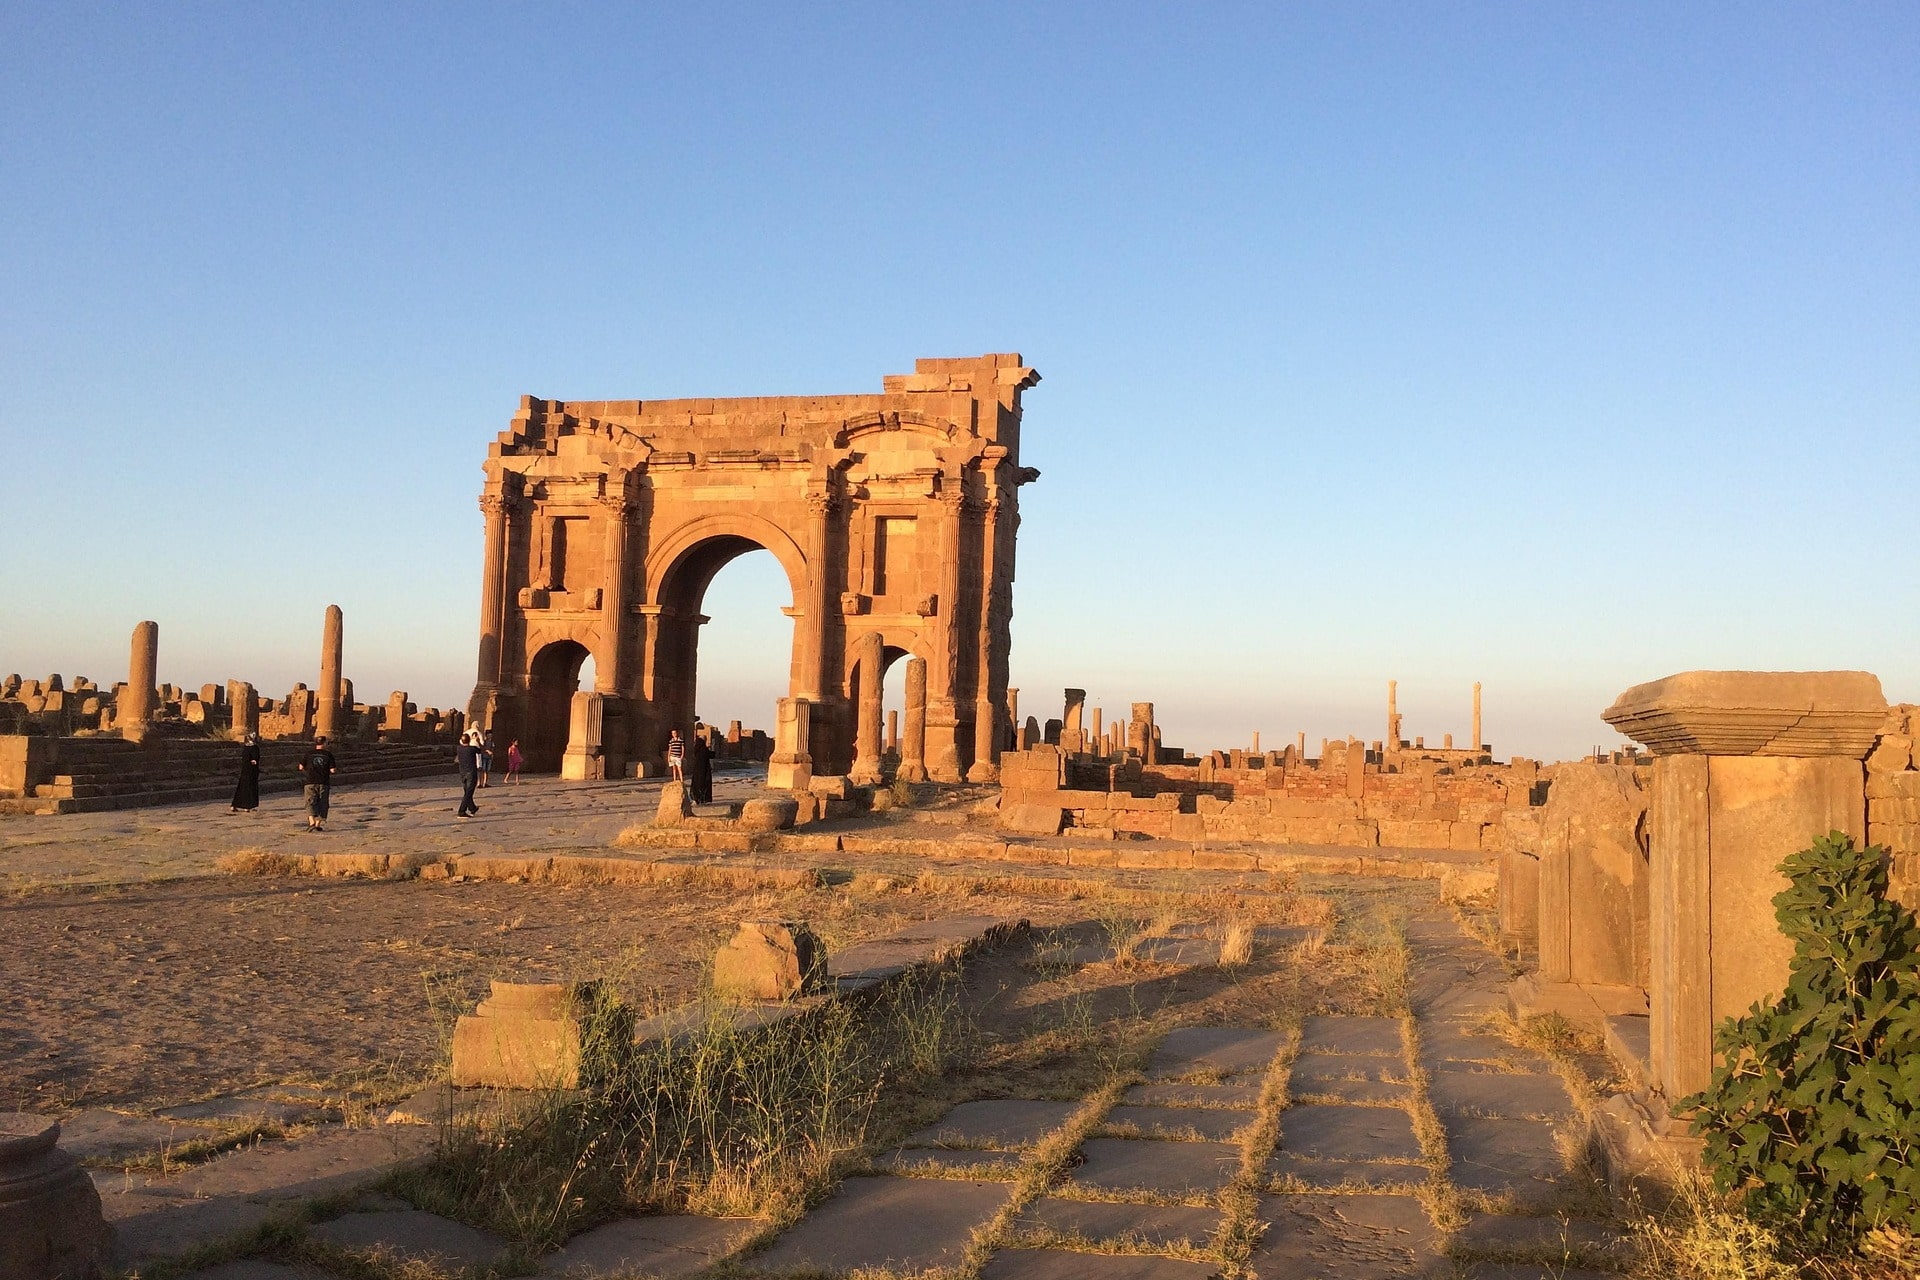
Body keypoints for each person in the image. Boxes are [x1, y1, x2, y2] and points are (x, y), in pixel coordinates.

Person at [301, 735, 336, 832]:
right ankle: (317, 824)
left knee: (310, 801)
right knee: (323, 802)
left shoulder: (308, 753)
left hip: (310, 781)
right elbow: (333, 770)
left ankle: (311, 821)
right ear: (324, 743)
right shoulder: (328, 755)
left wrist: (308, 772)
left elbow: (301, 766)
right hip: (323, 781)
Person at [228, 732, 261, 814]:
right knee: (250, 787)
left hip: (245, 770)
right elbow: (255, 759)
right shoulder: (254, 748)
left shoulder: (246, 748)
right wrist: (253, 761)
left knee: (242, 787)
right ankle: (247, 805)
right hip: (251, 771)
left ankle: (235, 805)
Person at [456, 728, 482, 817]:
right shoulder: (472, 749)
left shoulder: (459, 748)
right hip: (471, 772)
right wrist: (477, 740)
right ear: (469, 740)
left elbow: (462, 744)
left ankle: (472, 808)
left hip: (462, 773)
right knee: (468, 793)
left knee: (467, 791)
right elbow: (480, 750)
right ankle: (461, 811)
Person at [689, 722, 714, 805]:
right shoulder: (704, 749)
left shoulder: (697, 749)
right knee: (704, 784)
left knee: (696, 784)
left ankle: (695, 798)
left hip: (697, 770)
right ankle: (704, 799)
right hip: (704, 770)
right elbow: (711, 755)